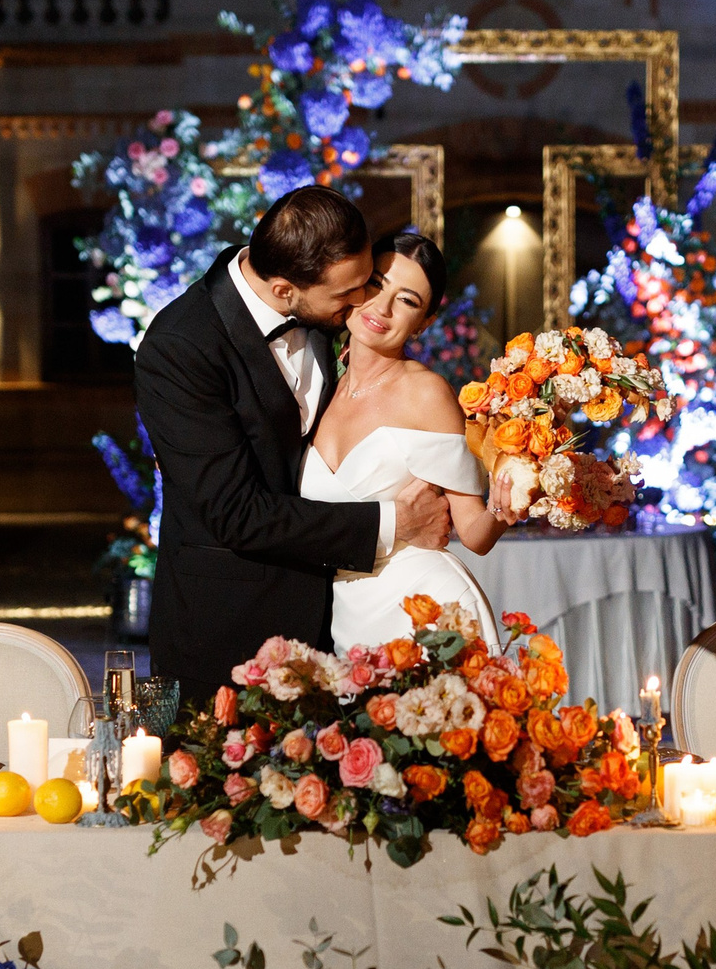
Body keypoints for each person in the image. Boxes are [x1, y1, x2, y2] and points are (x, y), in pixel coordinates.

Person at [135, 186, 452, 703]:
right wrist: (394, 520)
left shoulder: (322, 308)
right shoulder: (180, 347)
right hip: (226, 635)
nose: (362, 303)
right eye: (350, 293)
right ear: (285, 290)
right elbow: (236, 512)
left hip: (339, 627)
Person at [302, 229, 499, 649]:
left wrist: (509, 501)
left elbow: (475, 534)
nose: (382, 307)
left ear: (424, 323)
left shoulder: (427, 394)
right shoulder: (315, 382)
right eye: (377, 284)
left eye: (408, 300)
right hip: (342, 619)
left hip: (427, 610)